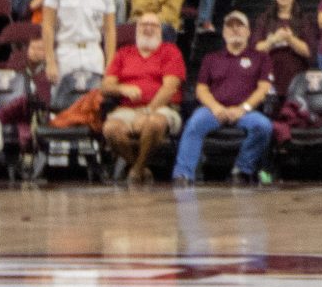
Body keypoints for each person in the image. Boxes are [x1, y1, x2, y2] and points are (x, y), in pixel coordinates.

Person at [173, 12, 275, 185]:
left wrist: (243, 108)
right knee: (194, 123)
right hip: (214, 110)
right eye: (230, 26)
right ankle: (183, 173)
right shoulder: (211, 58)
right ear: (224, 32)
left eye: (240, 25)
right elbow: (201, 89)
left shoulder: (261, 57)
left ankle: (242, 168)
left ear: (248, 32)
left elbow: (264, 88)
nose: (235, 30)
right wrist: (216, 107)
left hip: (246, 112)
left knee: (264, 126)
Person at [98, 13, 187, 182]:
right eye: (143, 25)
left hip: (162, 108)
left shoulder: (170, 51)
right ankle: (140, 168)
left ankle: (135, 171)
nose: (147, 28)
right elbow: (106, 86)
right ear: (136, 29)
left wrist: (148, 110)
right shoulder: (124, 53)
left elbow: (169, 88)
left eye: (153, 25)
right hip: (126, 109)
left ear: (160, 30)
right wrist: (122, 88)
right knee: (110, 129)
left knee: (153, 124)